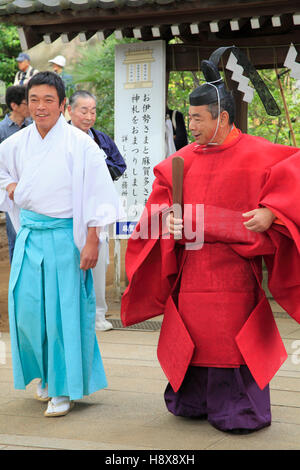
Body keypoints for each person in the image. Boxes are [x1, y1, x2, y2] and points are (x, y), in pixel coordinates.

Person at [121, 51, 300, 434]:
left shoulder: (262, 154)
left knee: (233, 339)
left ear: (222, 117)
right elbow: (158, 205)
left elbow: (293, 183)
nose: (193, 125)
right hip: (193, 269)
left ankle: (239, 411)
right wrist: (167, 216)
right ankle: (193, 400)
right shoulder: (179, 161)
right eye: (193, 117)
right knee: (194, 335)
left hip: (236, 271)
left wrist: (271, 211)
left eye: (199, 119)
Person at [0, 72, 123, 417]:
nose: (40, 107)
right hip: (29, 237)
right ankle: (46, 375)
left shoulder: (81, 144)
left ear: (63, 105)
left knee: (62, 315)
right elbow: (3, 175)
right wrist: (12, 189)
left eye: (48, 100)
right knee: (26, 312)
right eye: (34, 100)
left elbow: (100, 194)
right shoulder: (14, 144)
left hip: (67, 237)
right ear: (26, 104)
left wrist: (92, 241)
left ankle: (63, 387)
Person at [67, 90, 126, 331]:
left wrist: (98, 170)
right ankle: (72, 316)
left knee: (99, 261)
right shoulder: (61, 138)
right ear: (69, 110)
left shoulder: (100, 138)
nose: (89, 116)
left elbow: (119, 164)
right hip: (68, 210)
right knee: (70, 262)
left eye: (92, 111)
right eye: (84, 110)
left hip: (97, 207)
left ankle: (98, 314)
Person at [0, 85, 31, 263]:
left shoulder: (33, 127)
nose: (31, 107)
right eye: (27, 103)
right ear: (14, 105)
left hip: (32, 191)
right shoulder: (2, 130)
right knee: (15, 238)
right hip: (11, 193)